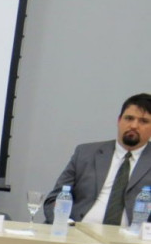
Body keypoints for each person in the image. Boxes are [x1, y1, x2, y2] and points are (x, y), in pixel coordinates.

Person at [43, 93, 151, 226]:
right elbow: (54, 199)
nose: (134, 126)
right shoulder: (86, 153)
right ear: (119, 121)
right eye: (129, 118)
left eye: (143, 121)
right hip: (77, 232)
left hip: (131, 241)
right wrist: (64, 224)